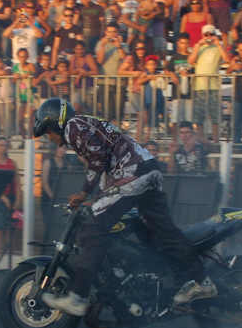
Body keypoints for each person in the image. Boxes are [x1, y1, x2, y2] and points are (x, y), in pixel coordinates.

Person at [34, 97, 218, 316]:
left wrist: (84, 193)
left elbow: (99, 158)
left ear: (57, 121)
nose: (50, 138)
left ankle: (79, 297)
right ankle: (201, 280)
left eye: (48, 131)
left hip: (133, 174)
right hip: (147, 169)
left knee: (94, 230)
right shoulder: (86, 123)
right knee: (164, 233)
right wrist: (98, 197)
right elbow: (107, 164)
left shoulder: (74, 127)